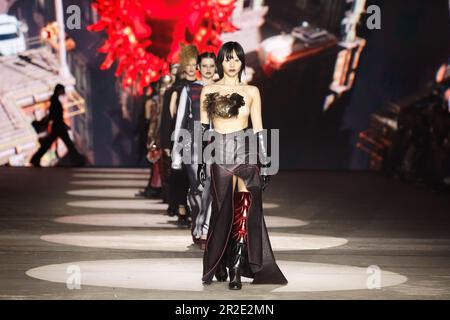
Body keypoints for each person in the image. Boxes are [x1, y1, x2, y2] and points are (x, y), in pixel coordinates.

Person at [198, 42, 287, 290]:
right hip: (218, 154)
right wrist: (200, 162)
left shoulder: (252, 91)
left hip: (246, 151)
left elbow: (258, 129)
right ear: (220, 62)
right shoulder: (208, 91)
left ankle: (236, 268)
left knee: (244, 207)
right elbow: (205, 130)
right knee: (222, 211)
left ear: (242, 63)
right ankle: (223, 259)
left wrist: (267, 162)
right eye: (228, 59)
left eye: (237, 59)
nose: (232, 63)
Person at [172, 52, 216, 246]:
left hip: (215, 141)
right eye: (204, 65)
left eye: (211, 65)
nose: (207, 69)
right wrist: (176, 152)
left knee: (211, 187)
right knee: (197, 187)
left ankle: (205, 227)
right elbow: (181, 119)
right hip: (191, 140)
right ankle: (196, 222)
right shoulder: (189, 89)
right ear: (199, 67)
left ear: (216, 67)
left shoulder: (221, 88)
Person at [30, 84, 84, 167]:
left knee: (53, 143)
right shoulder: (55, 102)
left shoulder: (55, 101)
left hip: (58, 125)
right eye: (62, 90)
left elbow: (53, 116)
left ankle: (36, 158)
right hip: (58, 126)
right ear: (59, 91)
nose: (64, 92)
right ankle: (77, 159)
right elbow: (53, 116)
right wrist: (46, 123)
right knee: (68, 143)